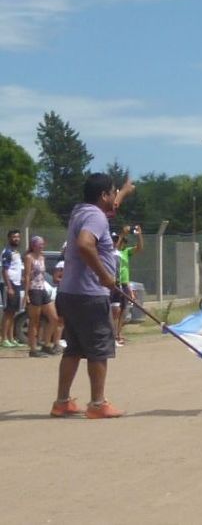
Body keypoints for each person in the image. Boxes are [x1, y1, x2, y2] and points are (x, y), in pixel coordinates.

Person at [50, 172, 135, 419]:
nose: (114, 196)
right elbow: (85, 244)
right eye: (112, 191)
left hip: (70, 292)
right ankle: (97, 404)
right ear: (103, 195)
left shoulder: (82, 211)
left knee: (74, 349)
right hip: (90, 294)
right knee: (98, 349)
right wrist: (104, 276)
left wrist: (125, 191)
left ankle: (62, 402)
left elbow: (111, 207)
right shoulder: (95, 217)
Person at [22, 236, 60, 357]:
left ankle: (46, 344)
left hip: (42, 289)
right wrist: (26, 294)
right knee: (35, 321)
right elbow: (27, 276)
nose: (42, 246)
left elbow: (42, 276)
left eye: (43, 244)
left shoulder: (42, 257)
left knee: (54, 318)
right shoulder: (29, 257)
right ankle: (33, 349)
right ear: (33, 245)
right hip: (33, 290)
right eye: (40, 244)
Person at [114, 224, 143, 344]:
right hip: (115, 283)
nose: (122, 243)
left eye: (124, 241)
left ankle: (118, 333)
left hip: (124, 284)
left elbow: (139, 248)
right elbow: (115, 248)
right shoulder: (113, 252)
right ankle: (113, 334)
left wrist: (139, 235)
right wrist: (122, 234)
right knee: (115, 310)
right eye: (120, 241)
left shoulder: (125, 252)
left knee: (123, 310)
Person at [2, 229, 25, 348]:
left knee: (13, 313)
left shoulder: (16, 252)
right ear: (9, 238)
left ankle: (11, 338)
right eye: (14, 237)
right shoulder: (7, 252)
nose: (16, 239)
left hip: (17, 285)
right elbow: (5, 270)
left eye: (18, 237)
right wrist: (9, 287)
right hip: (10, 285)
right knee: (8, 313)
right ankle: (4, 338)